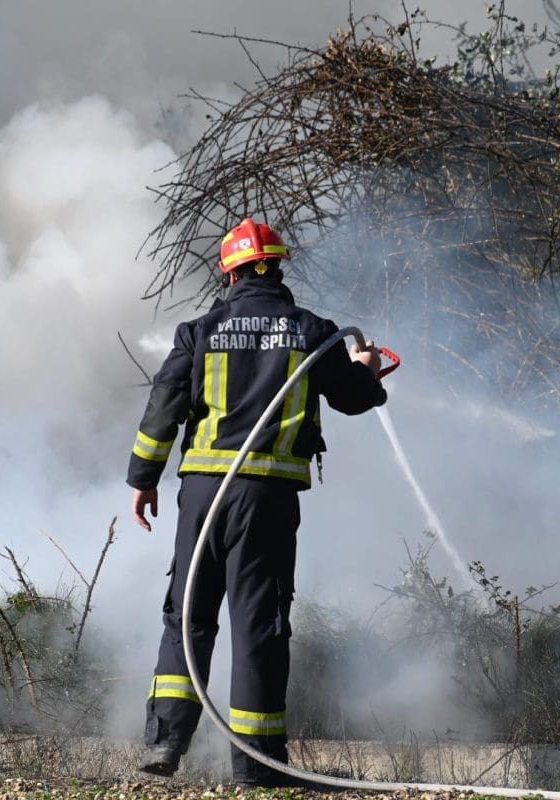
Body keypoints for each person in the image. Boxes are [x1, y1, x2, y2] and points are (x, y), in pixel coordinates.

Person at [126, 218, 386, 788]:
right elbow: (351, 399)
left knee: (186, 618)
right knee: (258, 627)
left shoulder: (199, 330)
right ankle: (255, 767)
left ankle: (166, 744)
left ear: (232, 271)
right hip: (265, 499)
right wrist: (368, 370)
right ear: (277, 267)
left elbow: (163, 408)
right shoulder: (313, 331)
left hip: (201, 498)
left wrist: (143, 479)